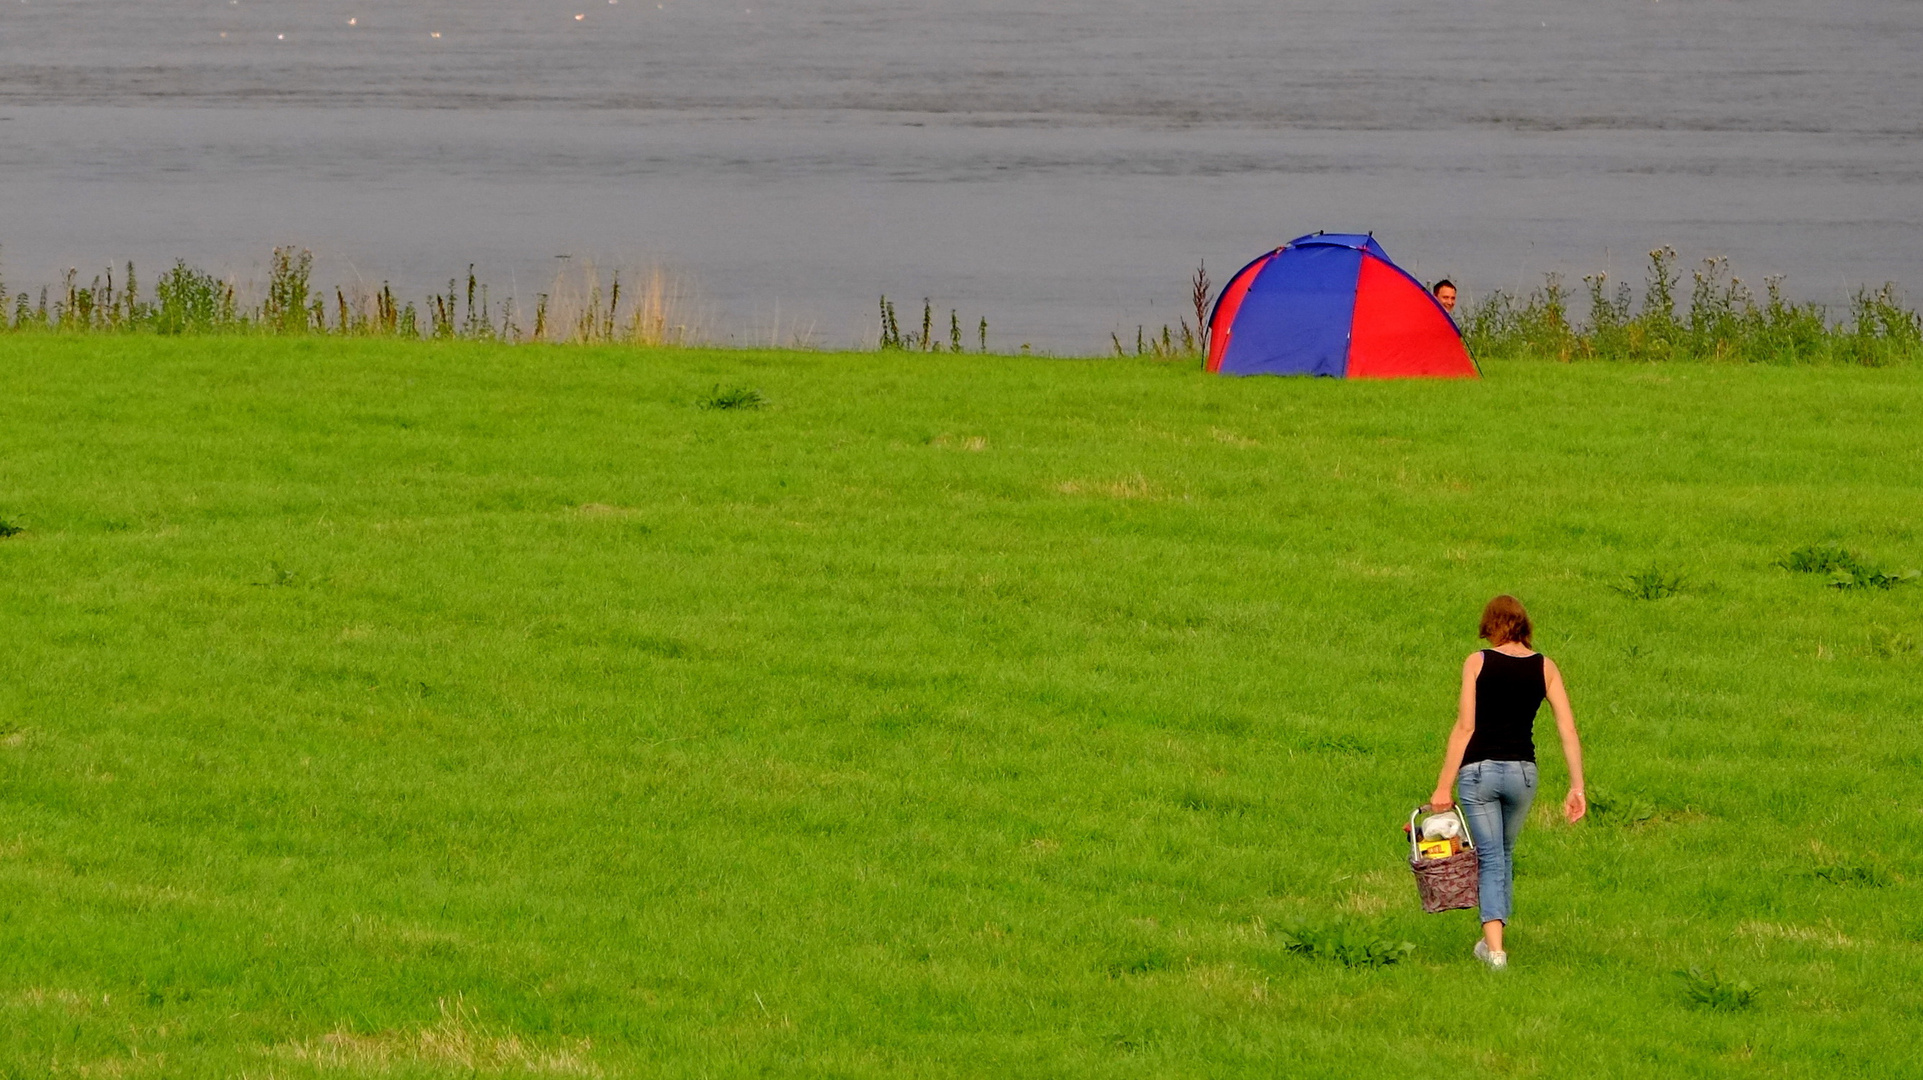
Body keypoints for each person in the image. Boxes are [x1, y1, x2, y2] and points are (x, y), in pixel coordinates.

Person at [1428, 595, 1585, 970]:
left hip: (1479, 772)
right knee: (1503, 854)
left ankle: (1495, 952)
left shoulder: (1477, 662)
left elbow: (1465, 726)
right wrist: (1577, 786)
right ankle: (1490, 940)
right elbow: (1567, 727)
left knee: (1491, 857)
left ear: (1491, 625)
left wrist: (1442, 787)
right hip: (1523, 775)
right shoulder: (1545, 667)